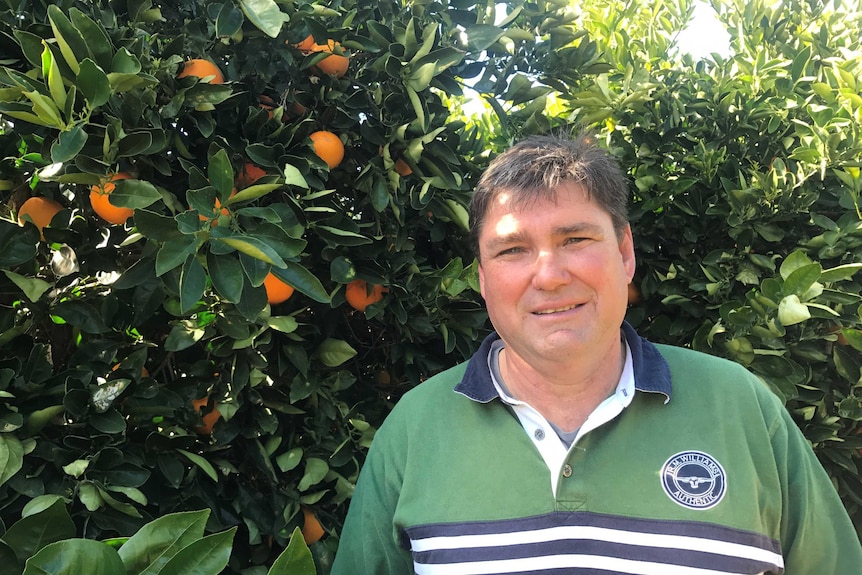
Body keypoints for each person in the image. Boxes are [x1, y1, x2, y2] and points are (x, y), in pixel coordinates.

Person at [331, 133, 862, 574]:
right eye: (513, 249)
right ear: (484, 279)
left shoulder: (741, 407)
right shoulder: (416, 428)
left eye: (575, 239)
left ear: (625, 252)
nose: (550, 275)